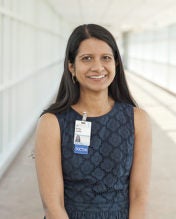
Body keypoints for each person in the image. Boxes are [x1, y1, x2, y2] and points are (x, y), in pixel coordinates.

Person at [35, 24, 152, 219]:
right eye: (86, 58)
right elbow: (52, 204)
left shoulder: (137, 120)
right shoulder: (51, 123)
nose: (98, 67)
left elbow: (139, 196)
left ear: (115, 63)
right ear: (71, 66)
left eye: (105, 58)